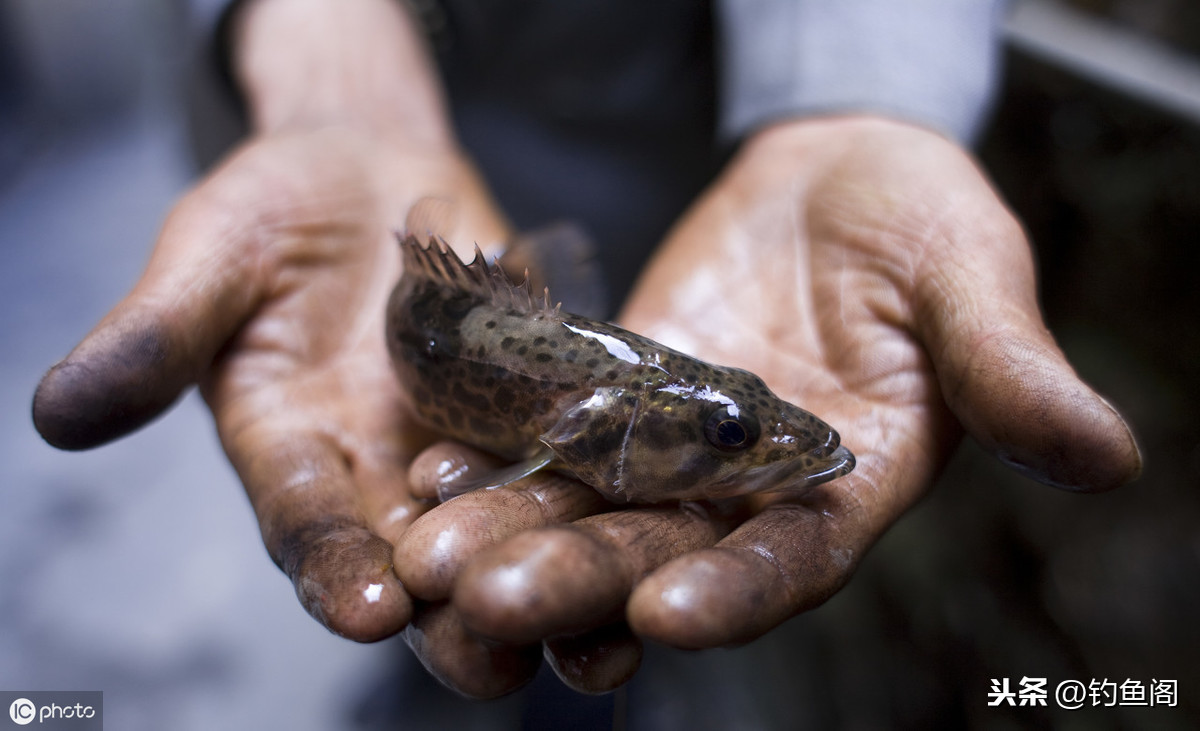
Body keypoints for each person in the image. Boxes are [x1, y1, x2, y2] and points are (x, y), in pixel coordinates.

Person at [32, 0, 1140, 702]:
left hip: (667, 154)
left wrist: (862, 94)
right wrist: (324, 57)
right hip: (487, 184)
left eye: (733, 417)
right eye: (725, 429)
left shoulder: (618, 386)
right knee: (448, 599)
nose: (751, 438)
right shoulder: (562, 416)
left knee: (599, 624)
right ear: (582, 433)